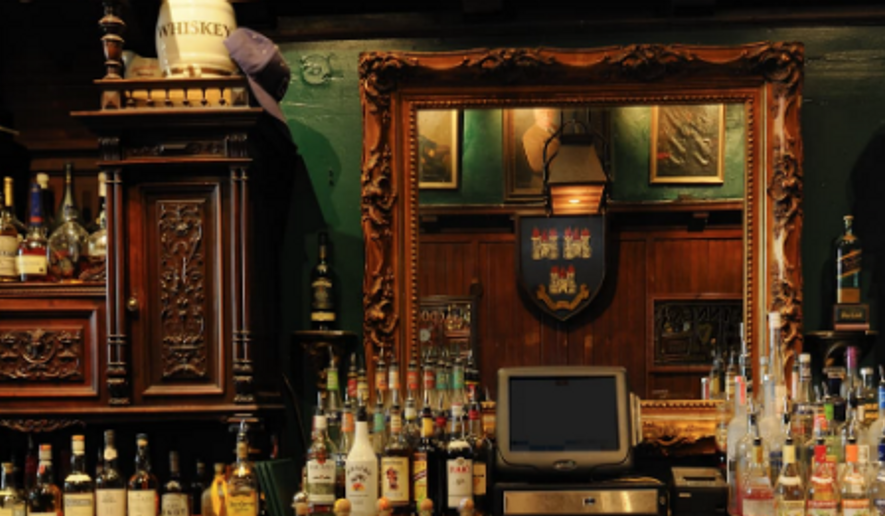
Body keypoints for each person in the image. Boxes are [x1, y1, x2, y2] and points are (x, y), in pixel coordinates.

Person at [521, 108, 560, 189]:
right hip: (542, 185)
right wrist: (564, 166)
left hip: (558, 181)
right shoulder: (530, 135)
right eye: (542, 112)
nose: (547, 116)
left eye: (549, 112)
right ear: (536, 115)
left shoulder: (557, 129)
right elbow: (537, 166)